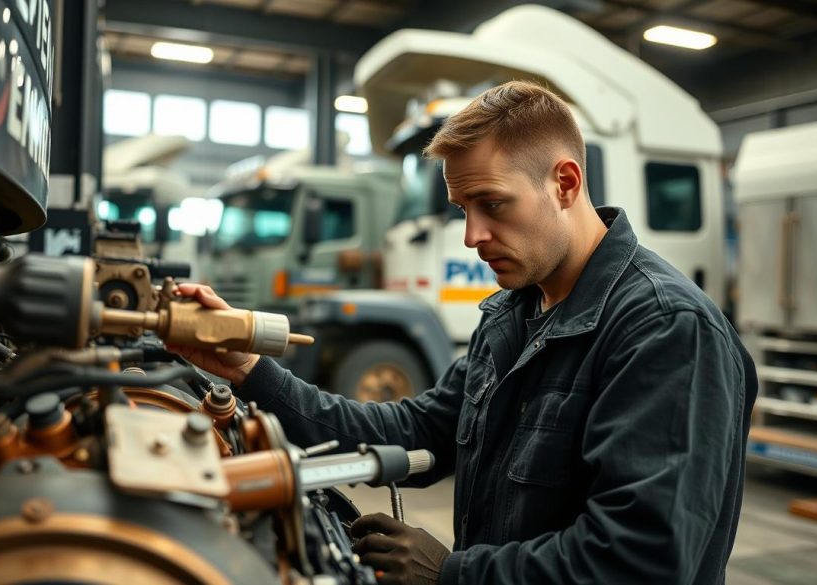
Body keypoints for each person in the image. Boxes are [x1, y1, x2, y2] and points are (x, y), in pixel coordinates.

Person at [174, 80, 757, 585]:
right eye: (461, 209)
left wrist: (452, 574)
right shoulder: (511, 315)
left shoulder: (665, 331)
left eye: (492, 204)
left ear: (566, 183)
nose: (472, 235)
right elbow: (414, 430)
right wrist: (249, 371)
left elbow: (643, 562)